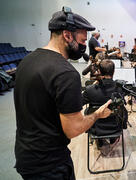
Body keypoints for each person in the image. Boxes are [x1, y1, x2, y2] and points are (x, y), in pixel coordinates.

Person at [13, 7, 112, 180]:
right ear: (67, 35)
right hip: (50, 164)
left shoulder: (27, 60)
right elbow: (73, 129)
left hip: (25, 155)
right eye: (82, 40)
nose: (83, 46)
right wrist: (97, 114)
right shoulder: (65, 73)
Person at [82, 59, 128, 147]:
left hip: (95, 128)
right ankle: (112, 138)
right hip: (115, 128)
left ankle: (99, 138)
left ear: (99, 71)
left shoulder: (90, 90)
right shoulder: (120, 88)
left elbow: (79, 104)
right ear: (113, 72)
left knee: (87, 110)